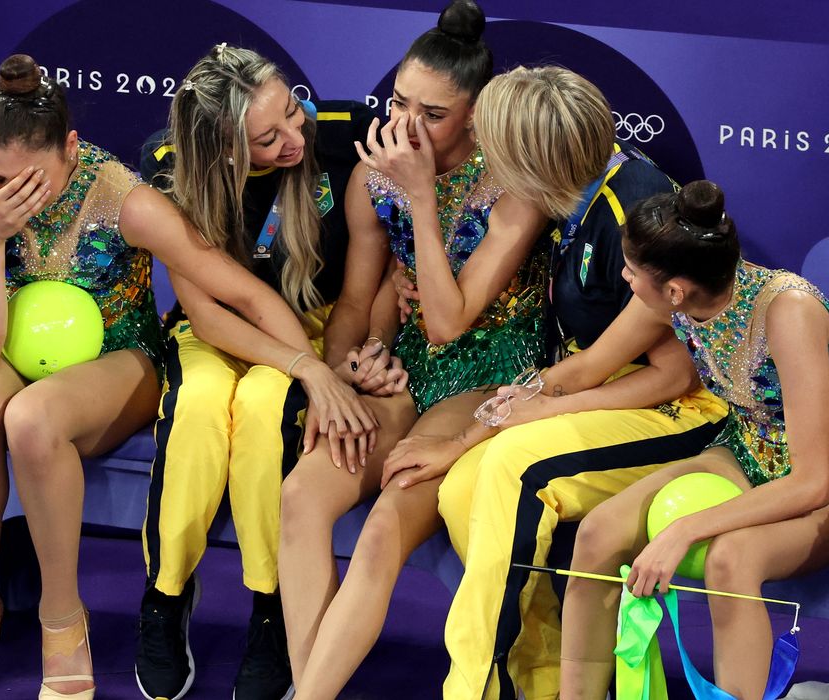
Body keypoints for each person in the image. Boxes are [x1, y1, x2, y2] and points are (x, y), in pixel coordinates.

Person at [0, 55, 372, 700]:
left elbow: (239, 292)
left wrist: (309, 365)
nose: (11, 191)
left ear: (72, 149)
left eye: (32, 180)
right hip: (9, 351)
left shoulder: (124, 196)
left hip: (113, 356)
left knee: (32, 419)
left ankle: (62, 619)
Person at [381, 67, 730, 700]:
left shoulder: (638, 216)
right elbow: (568, 366)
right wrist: (472, 437)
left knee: (514, 464)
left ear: (532, 161)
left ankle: (468, 687)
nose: (483, 156)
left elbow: (672, 372)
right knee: (462, 488)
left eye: (494, 147)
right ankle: (540, 683)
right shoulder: (571, 195)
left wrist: (532, 412)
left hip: (678, 410)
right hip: (601, 392)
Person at [277, 3, 551, 696]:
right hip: (408, 375)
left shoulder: (517, 186)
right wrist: (346, 370)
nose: (405, 125)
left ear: (477, 112)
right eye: (399, 103)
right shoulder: (371, 177)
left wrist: (421, 200)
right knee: (303, 496)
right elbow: (352, 304)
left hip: (492, 382)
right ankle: (310, 683)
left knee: (386, 522)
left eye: (432, 114)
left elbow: (448, 325)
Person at [133, 45, 383, 700]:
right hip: (216, 332)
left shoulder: (346, 133)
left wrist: (318, 367)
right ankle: (165, 595)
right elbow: (210, 315)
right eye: (268, 139)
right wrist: (310, 370)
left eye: (292, 114)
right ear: (224, 152)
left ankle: (270, 608)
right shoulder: (169, 170)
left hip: (315, 325)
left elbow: (372, 274)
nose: (294, 136)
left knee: (270, 408)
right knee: (199, 407)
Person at [558, 180, 829, 700]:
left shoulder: (787, 313)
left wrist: (685, 529)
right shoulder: (674, 296)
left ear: (676, 289)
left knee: (730, 560)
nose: (624, 278)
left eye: (631, 272)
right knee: (597, 534)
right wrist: (520, 403)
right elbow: (591, 365)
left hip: (818, 480)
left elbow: (814, 480)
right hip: (745, 451)